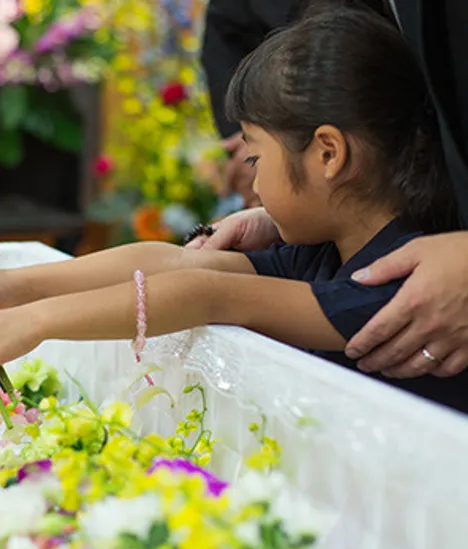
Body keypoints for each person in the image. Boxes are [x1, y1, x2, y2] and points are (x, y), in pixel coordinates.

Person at [0, 8, 466, 412]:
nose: (250, 180)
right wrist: (10, 288)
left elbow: (211, 293)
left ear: (328, 153)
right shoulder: (327, 252)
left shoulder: (396, 285)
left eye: (255, 157)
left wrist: (38, 322)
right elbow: (182, 265)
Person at [197, 0, 468, 382]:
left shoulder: (383, 279)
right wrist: (289, 199)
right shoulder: (318, 253)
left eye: (257, 158)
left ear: (328, 152)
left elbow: (200, 292)